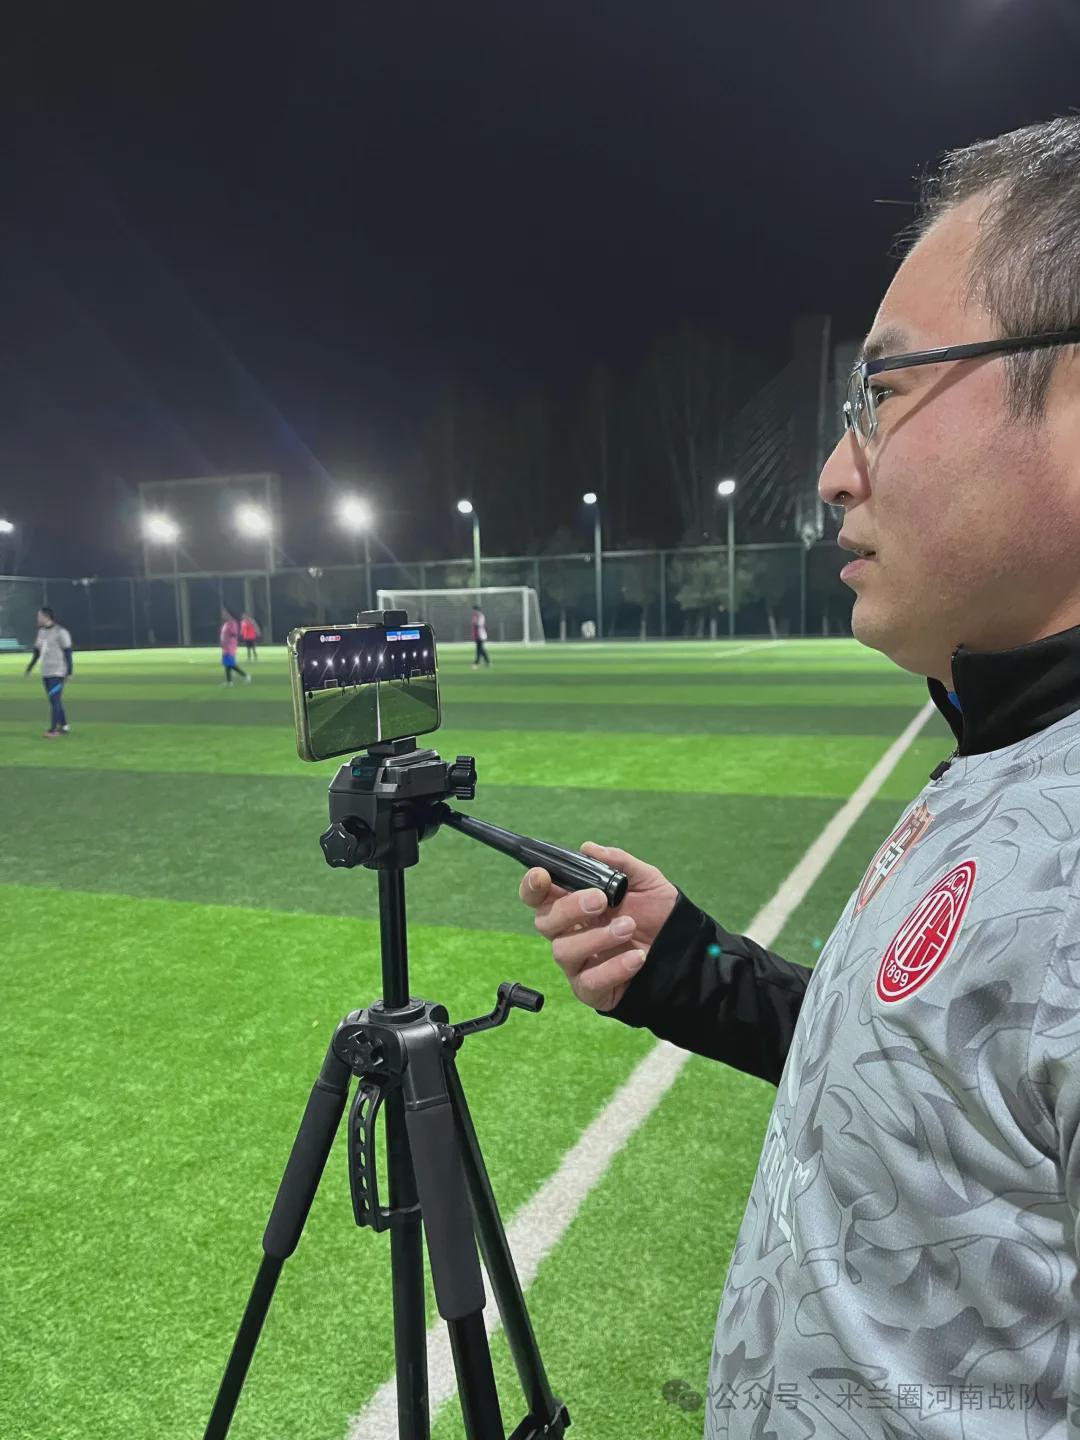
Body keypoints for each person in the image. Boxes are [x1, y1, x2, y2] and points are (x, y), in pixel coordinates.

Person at [520, 116, 1080, 1437]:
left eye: (884, 393)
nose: (834, 472)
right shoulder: (1005, 749)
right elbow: (936, 1084)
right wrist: (692, 972)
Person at [24, 606, 73, 737]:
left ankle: (53, 729)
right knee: (54, 700)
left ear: (46, 617)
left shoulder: (61, 632)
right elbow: (36, 652)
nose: (37, 618)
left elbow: (68, 653)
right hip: (46, 672)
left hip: (58, 672)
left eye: (39, 616)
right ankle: (65, 726)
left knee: (55, 700)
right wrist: (30, 667)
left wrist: (69, 672)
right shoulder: (41, 632)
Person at [219, 608, 251, 685]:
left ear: (229, 614)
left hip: (229, 647)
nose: (223, 614)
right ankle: (229, 682)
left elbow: (234, 634)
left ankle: (245, 675)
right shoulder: (226, 623)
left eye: (225, 613)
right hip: (226, 647)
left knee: (230, 664)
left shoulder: (232, 623)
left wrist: (227, 640)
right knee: (227, 664)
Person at [470, 604, 491, 669]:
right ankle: (487, 662)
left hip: (481, 635)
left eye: (475, 610)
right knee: (480, 650)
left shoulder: (481, 616)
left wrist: (475, 622)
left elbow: (479, 625)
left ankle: (477, 663)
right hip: (477, 635)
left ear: (478, 610)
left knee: (479, 650)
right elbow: (474, 626)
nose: (474, 611)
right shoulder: (475, 616)